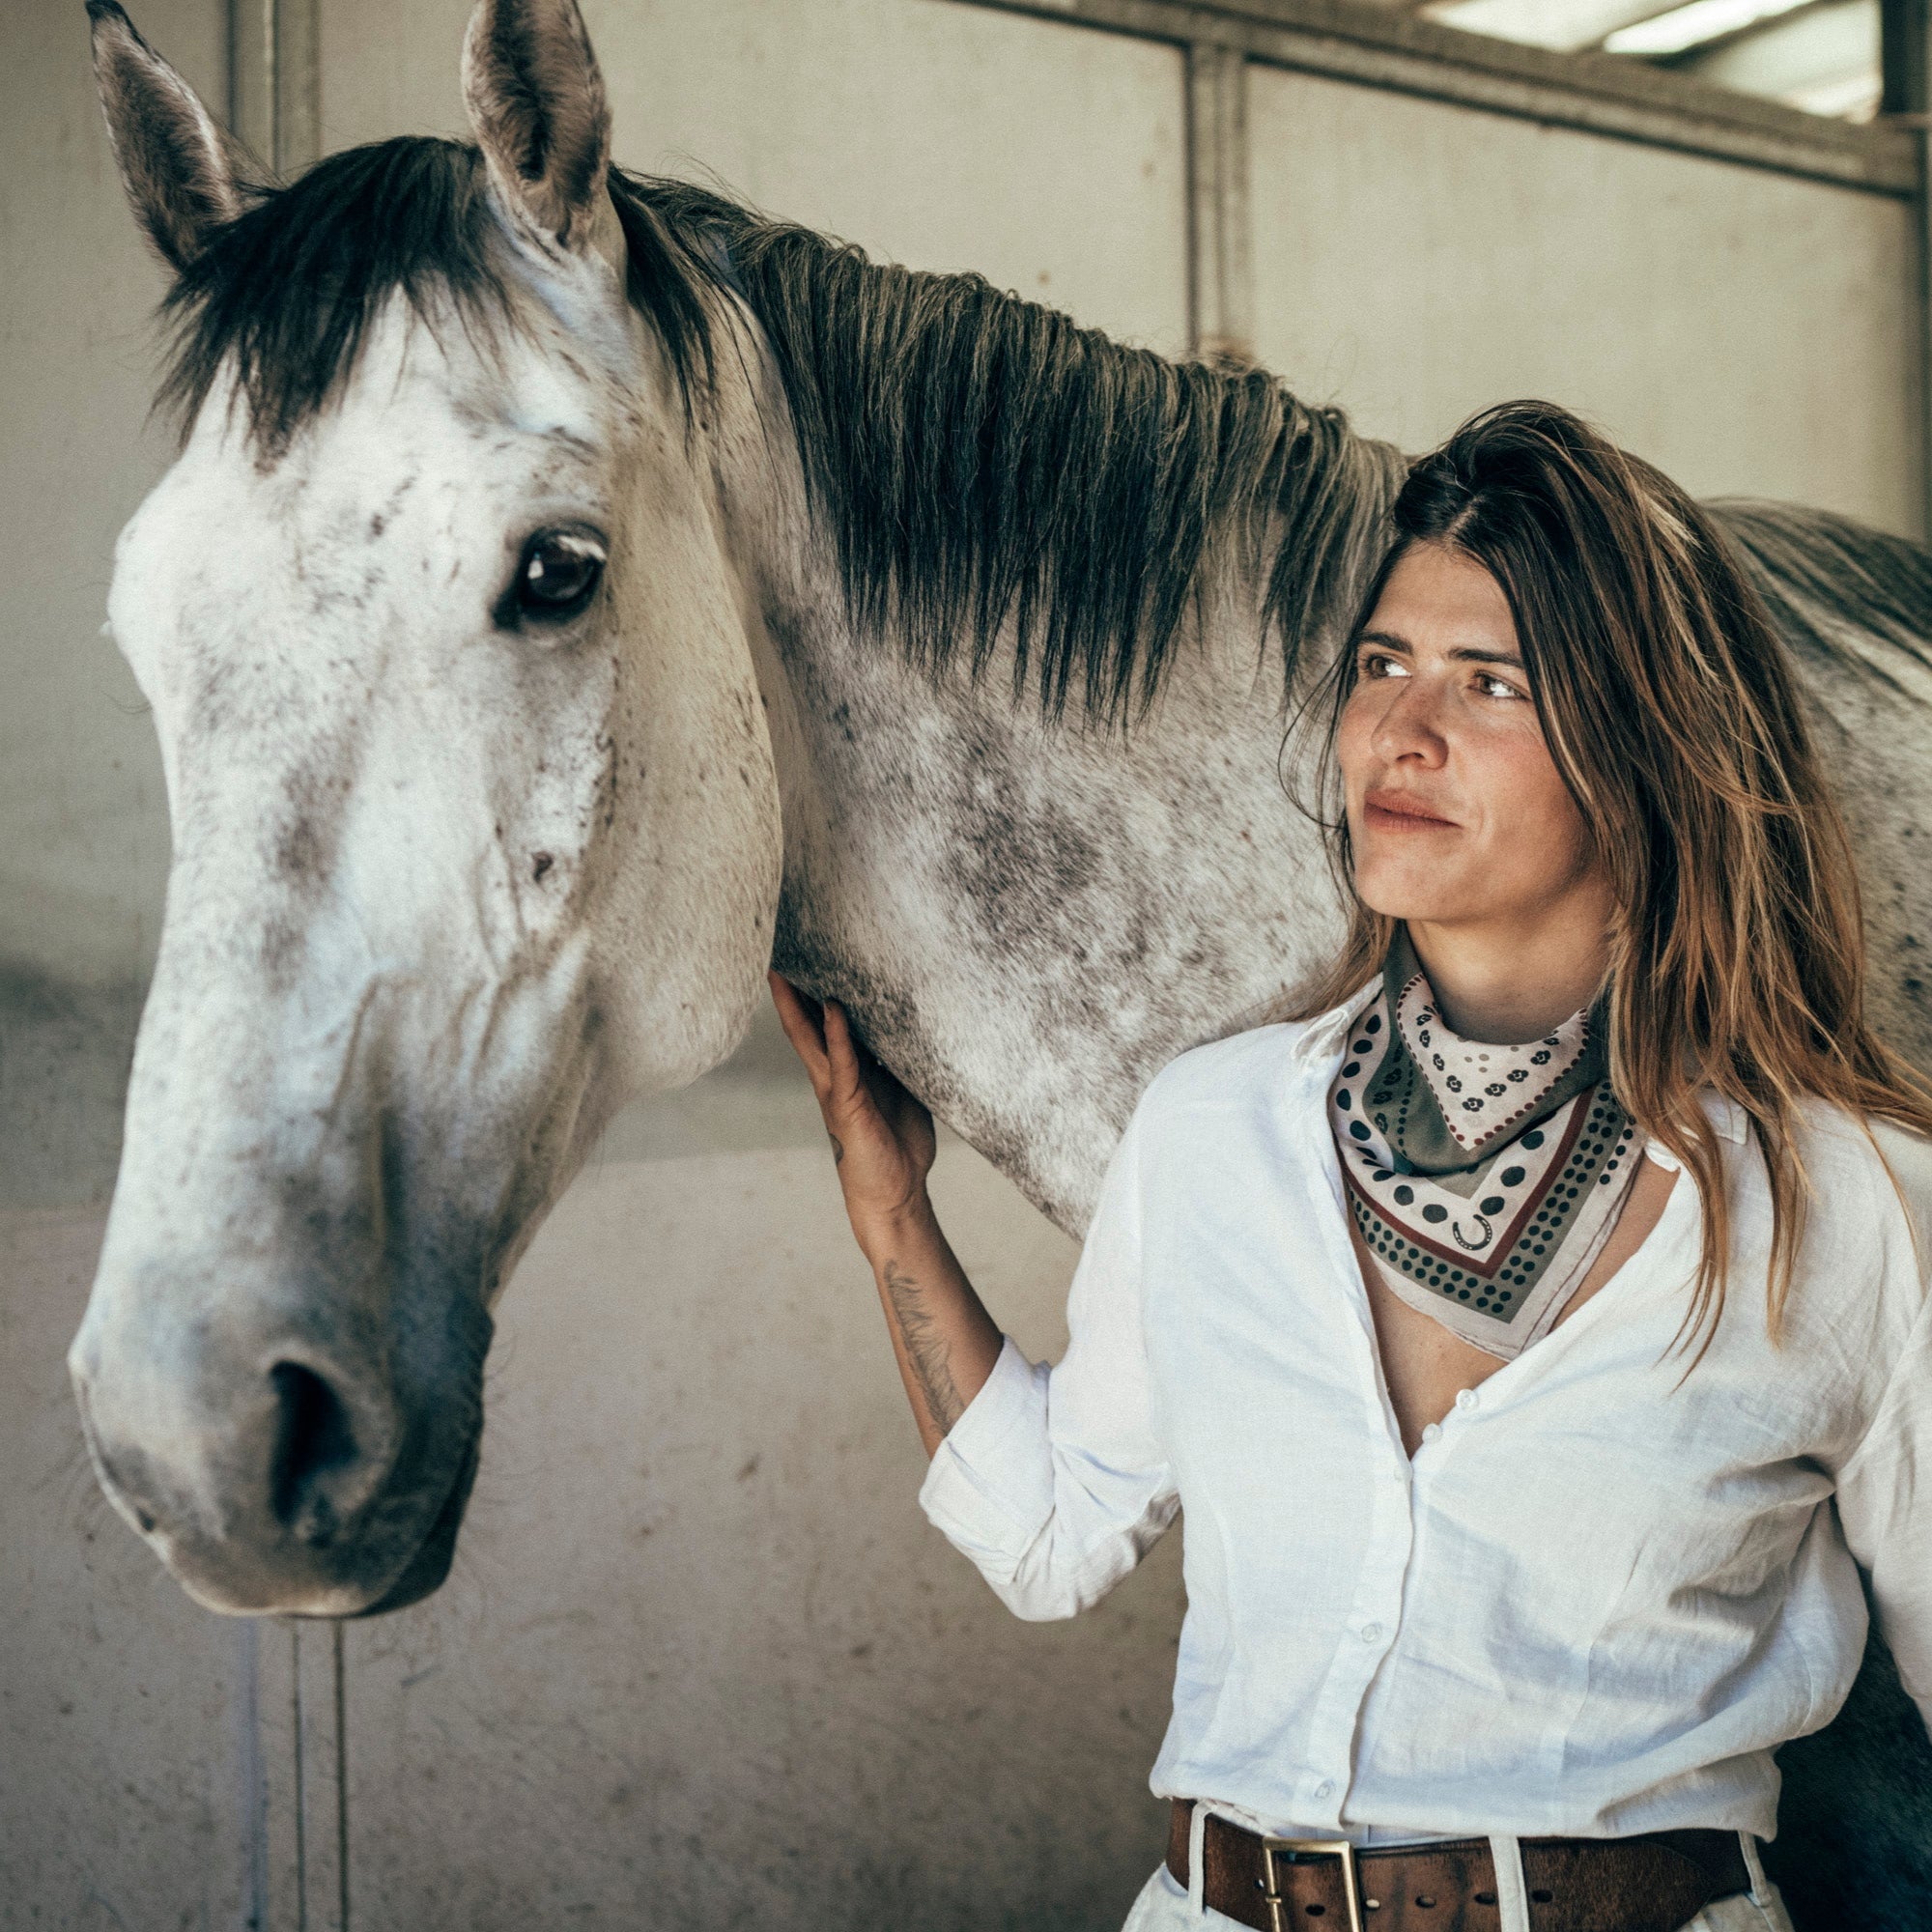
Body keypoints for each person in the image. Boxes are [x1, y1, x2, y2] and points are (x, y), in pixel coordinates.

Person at [770, 401, 1932, 1932]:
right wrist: (889, 1214)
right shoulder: (1211, 1130)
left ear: (1651, 749)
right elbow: (1051, 1532)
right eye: (1383, 665)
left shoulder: (1851, 1202)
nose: (1403, 729)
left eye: (1491, 683)